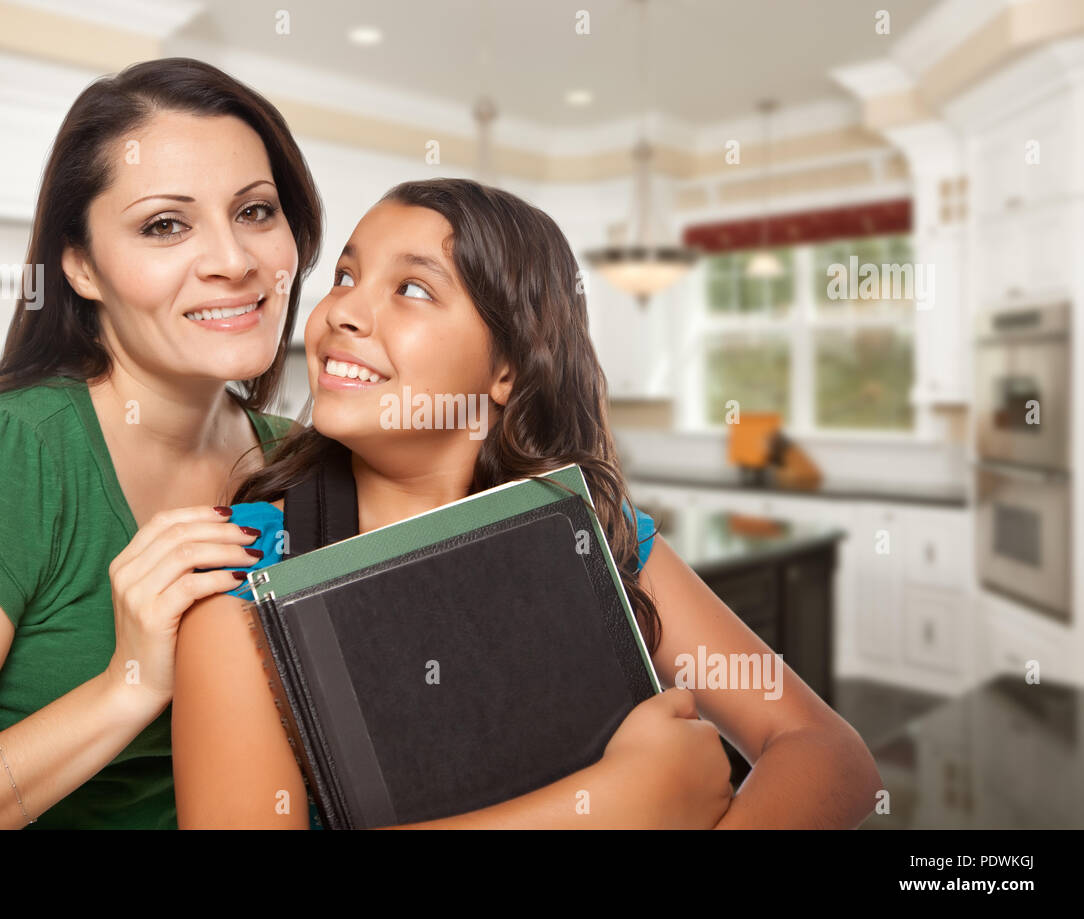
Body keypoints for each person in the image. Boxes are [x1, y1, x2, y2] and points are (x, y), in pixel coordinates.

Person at [172, 178, 884, 830]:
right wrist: (615, 807)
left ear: (507, 369)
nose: (341, 312)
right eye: (346, 275)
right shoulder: (238, 580)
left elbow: (825, 749)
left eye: (413, 288)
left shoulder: (598, 537)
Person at [0, 58, 322, 829]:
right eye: (165, 225)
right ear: (80, 266)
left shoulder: (303, 461)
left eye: (254, 211)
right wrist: (129, 684)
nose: (234, 260)